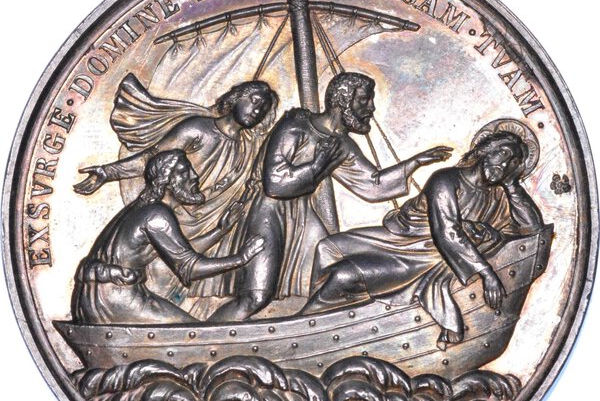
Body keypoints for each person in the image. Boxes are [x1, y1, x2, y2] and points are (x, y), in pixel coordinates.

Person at [209, 72, 452, 322]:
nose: (370, 108)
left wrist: (415, 163)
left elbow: (372, 185)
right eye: (364, 100)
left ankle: (307, 332)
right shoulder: (296, 126)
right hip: (268, 212)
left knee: (327, 275)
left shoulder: (341, 144)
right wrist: (316, 166)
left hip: (301, 217)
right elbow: (275, 184)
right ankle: (207, 336)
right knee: (255, 297)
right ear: (343, 100)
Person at [301, 122, 544, 348]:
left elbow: (533, 229)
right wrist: (487, 273)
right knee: (328, 247)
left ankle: (306, 326)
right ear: (485, 151)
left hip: (428, 259)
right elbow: (447, 231)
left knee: (344, 275)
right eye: (503, 154)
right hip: (404, 241)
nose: (505, 164)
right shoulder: (447, 180)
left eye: (513, 162)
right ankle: (324, 318)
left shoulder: (499, 196)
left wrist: (512, 185)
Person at [74, 74, 278, 300]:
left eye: (264, 109)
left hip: (207, 222)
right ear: (236, 98)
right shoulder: (198, 129)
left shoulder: (247, 148)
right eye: (254, 101)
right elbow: (152, 158)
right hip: (172, 214)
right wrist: (108, 172)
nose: (257, 110)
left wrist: (223, 227)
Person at [72, 150, 264, 325]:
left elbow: (179, 253)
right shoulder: (157, 215)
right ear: (166, 180)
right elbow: (189, 268)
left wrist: (220, 230)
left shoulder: (142, 208)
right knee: (194, 334)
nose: (194, 176)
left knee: (192, 330)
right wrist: (240, 258)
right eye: (184, 172)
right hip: (115, 298)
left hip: (98, 294)